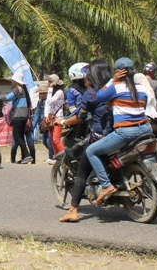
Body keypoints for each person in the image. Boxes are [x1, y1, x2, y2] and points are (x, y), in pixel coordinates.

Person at [86, 57, 151, 204]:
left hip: (125, 133)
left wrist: (112, 80)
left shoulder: (116, 87)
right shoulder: (141, 88)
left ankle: (106, 185)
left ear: (118, 73)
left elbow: (100, 97)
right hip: (145, 130)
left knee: (91, 151)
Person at [60, 59, 113, 222]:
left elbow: (79, 117)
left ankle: (73, 210)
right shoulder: (113, 89)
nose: (85, 77)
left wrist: (61, 122)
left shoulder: (91, 93)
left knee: (81, 172)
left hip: (98, 136)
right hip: (115, 134)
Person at [6, 72, 33, 164]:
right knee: (20, 136)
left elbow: (8, 97)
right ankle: (24, 157)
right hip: (24, 116)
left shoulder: (17, 88)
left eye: (12, 80)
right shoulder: (24, 89)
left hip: (18, 115)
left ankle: (27, 154)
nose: (11, 81)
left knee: (16, 137)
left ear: (15, 81)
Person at [45, 74, 65, 160]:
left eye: (50, 82)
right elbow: (47, 104)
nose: (48, 83)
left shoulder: (59, 92)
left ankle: (66, 156)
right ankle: (57, 158)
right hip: (52, 118)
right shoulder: (52, 92)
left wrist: (50, 89)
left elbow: (50, 101)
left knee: (56, 139)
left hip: (58, 118)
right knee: (52, 140)